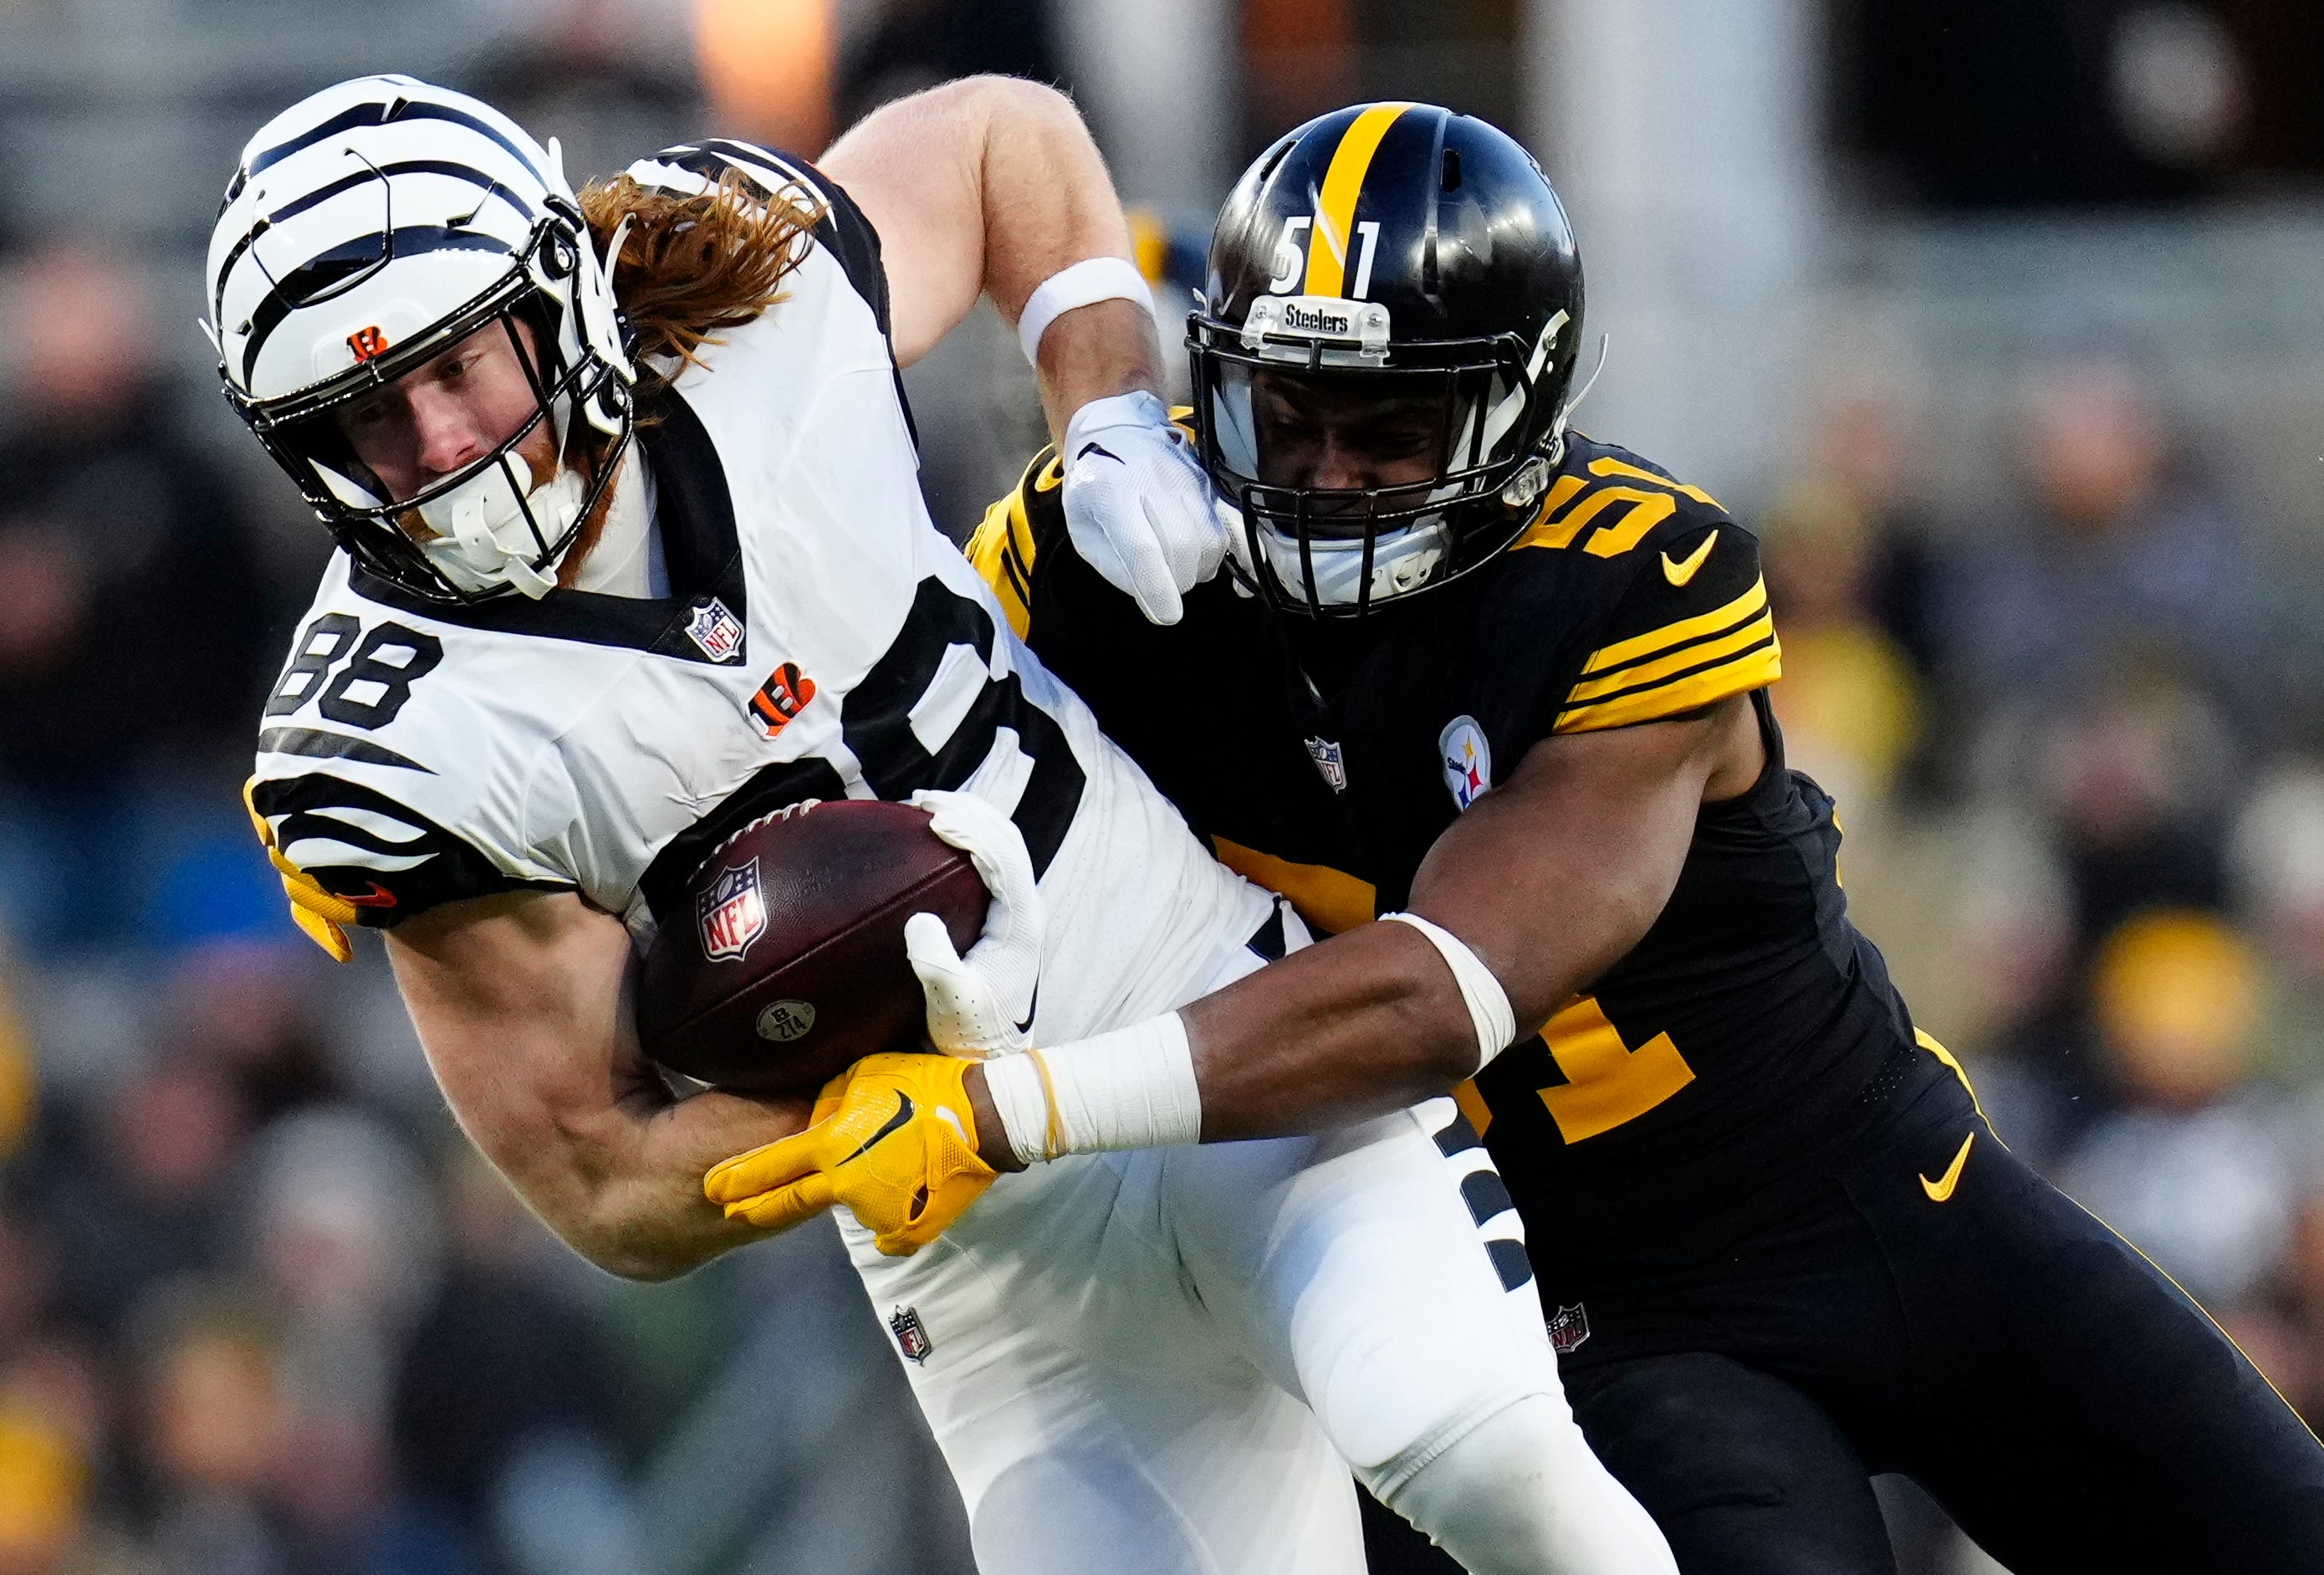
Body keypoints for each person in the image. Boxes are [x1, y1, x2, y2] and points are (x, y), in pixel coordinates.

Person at [736, 103, 2324, 1570]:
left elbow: (1437, 994)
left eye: (1391, 430)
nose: (1329, 479)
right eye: (1286, 417)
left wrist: (1010, 1107)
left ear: (1518, 409)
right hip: (1563, 1313)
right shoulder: (1099, 564)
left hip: (1865, 1198)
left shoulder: (1632, 574)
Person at [222, 75, 1672, 1575]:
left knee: (1473, 1448)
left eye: (463, 366)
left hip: (1216, 1021)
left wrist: (1103, 403)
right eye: (366, 420)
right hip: (991, 1263)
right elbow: (601, 1178)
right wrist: (856, 1116)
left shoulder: (739, 300)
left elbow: (1001, 138)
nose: (443, 440)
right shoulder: (389, 745)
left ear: (558, 294)